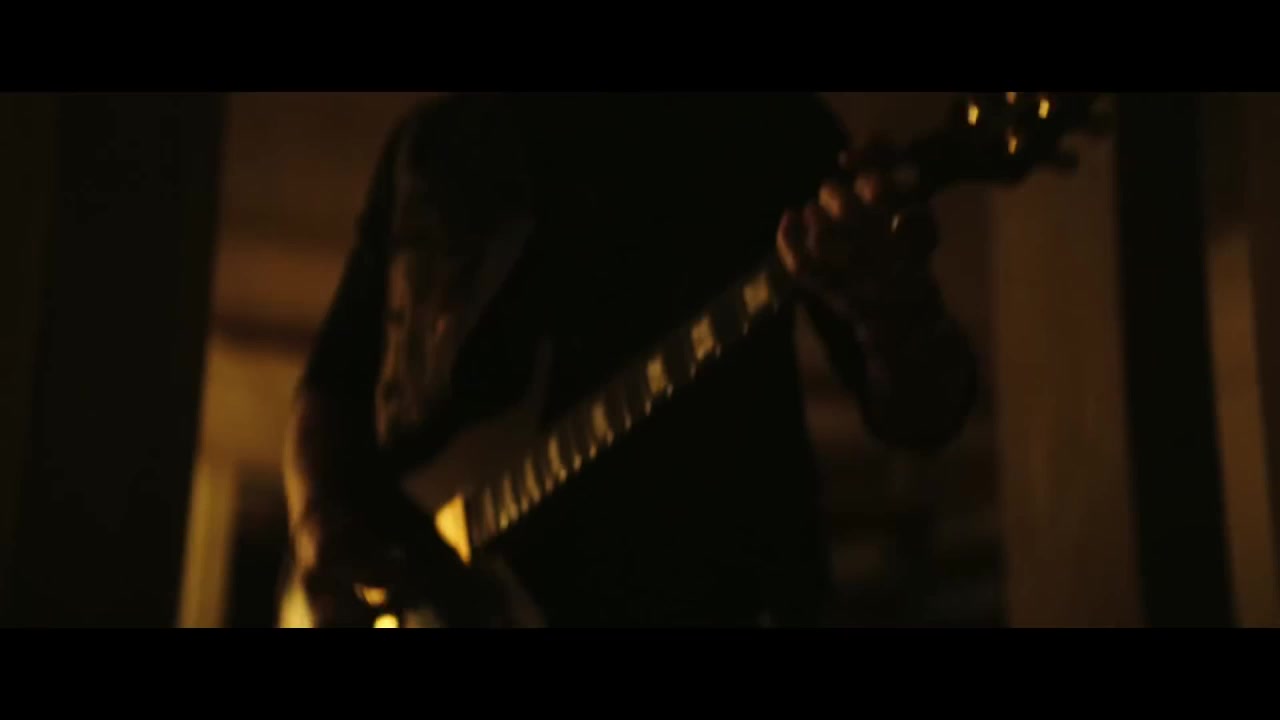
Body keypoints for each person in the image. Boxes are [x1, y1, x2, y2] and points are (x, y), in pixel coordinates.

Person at [282, 92, 978, 627]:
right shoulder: (432, 142)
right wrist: (320, 529)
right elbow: (330, 384)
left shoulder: (769, 125)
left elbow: (926, 414)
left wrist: (893, 308)